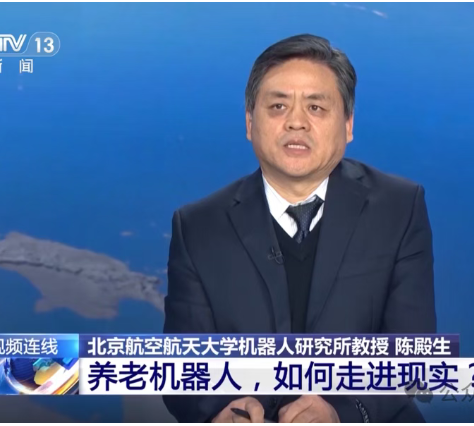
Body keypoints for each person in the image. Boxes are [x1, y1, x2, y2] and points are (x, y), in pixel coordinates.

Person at [163, 33, 436, 423]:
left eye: (316, 107)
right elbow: (181, 369)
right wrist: (222, 411)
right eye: (278, 106)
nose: (295, 122)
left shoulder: (398, 208)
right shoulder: (198, 226)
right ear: (250, 123)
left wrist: (341, 412)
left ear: (348, 125)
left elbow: (417, 357)